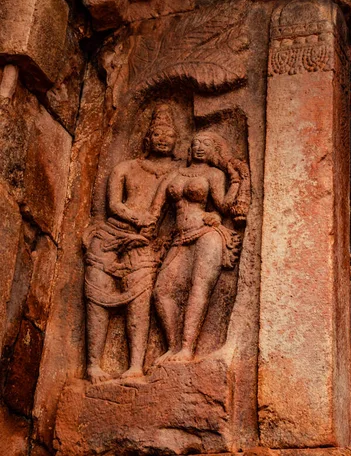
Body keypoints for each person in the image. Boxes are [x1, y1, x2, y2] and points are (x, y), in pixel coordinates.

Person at [83, 104, 179, 383]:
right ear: (147, 139)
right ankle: (93, 365)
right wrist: (138, 218)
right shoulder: (125, 168)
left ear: (176, 142)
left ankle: (135, 365)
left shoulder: (179, 173)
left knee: (139, 301)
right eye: (158, 134)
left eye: (169, 135)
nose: (163, 139)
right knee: (96, 298)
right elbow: (114, 204)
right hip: (110, 237)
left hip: (144, 245)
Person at [150, 130, 248, 364]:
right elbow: (155, 212)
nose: (200, 147)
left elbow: (224, 206)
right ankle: (172, 347)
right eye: (196, 143)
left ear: (213, 151)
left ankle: (187, 348)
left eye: (206, 144)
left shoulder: (213, 174)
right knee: (161, 292)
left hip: (206, 234)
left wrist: (236, 182)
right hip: (179, 237)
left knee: (198, 288)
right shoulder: (173, 175)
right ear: (189, 148)